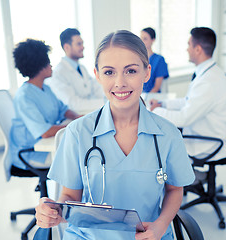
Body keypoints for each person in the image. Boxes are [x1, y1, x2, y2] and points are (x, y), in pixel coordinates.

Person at [35, 30, 195, 239]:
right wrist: (53, 212)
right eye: (109, 72)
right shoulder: (77, 132)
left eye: (130, 71)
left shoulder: (168, 134)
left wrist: (161, 225)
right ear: (97, 75)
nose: (120, 82)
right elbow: (69, 197)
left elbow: (175, 190)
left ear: (146, 73)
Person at [150, 27, 226, 170]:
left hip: (208, 142)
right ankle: (191, 178)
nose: (187, 49)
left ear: (198, 49)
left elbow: (184, 118)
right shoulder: (211, 72)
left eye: (189, 44)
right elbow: (189, 100)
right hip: (209, 131)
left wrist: (155, 112)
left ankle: (184, 181)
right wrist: (163, 104)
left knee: (159, 143)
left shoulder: (208, 82)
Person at [10, 39, 81, 170]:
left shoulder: (45, 88)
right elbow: (45, 132)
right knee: (79, 157)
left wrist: (78, 118)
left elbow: (63, 110)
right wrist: (75, 125)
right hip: (34, 153)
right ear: (39, 66)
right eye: (48, 62)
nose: (51, 66)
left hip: (48, 145)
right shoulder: (24, 96)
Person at [46, 28, 105, 114]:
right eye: (79, 44)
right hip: (75, 119)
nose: (83, 47)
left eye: (82, 43)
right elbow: (73, 104)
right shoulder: (58, 73)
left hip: (90, 112)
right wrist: (105, 102)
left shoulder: (82, 68)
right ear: (66, 47)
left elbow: (97, 89)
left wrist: (112, 97)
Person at [140, 27, 169, 93]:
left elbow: (156, 87)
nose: (141, 42)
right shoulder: (137, 59)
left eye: (145, 39)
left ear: (153, 40)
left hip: (151, 98)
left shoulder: (159, 60)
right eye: (140, 38)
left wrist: (144, 101)